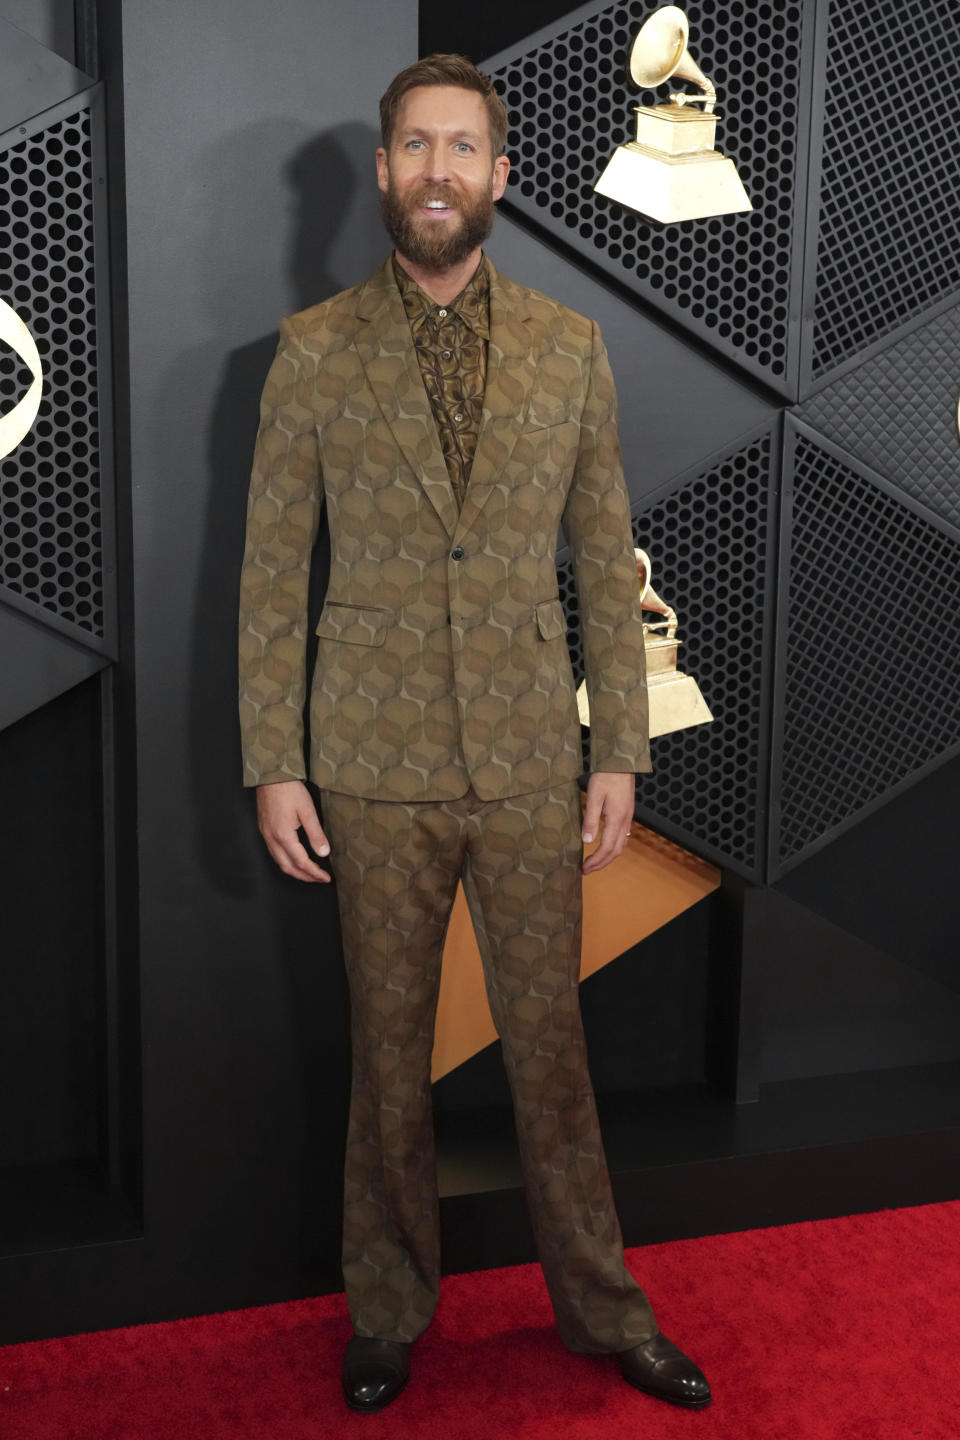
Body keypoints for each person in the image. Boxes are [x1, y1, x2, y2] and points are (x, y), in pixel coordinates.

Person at [238, 53, 710, 1416]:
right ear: (382, 172)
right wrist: (276, 761)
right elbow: (275, 575)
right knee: (386, 1058)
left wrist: (616, 748)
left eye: (463, 148)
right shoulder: (313, 352)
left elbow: (605, 560)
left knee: (551, 1051)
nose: (438, 170)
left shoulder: (571, 348)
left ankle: (606, 1308)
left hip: (527, 766)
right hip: (368, 771)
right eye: (414, 148)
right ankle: (386, 1309)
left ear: (499, 178)